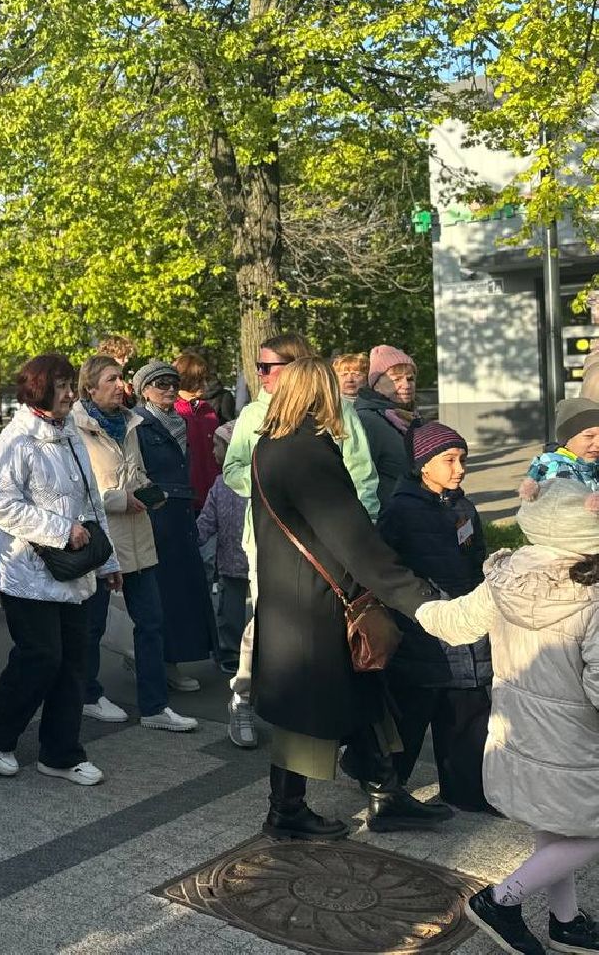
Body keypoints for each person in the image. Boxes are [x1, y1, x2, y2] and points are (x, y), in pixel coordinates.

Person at [249, 357, 444, 841]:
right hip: (317, 604)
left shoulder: (271, 446)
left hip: (296, 597)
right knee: (310, 710)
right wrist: (414, 595)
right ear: (319, 395)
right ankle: (286, 811)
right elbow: (351, 535)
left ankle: (385, 793)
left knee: (360, 689)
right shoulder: (307, 452)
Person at [415, 478, 599, 954]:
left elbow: (455, 623)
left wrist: (413, 603)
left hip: (517, 734)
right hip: (577, 745)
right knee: (587, 832)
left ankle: (566, 923)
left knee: (556, 832)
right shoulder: (594, 595)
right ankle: (501, 900)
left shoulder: (506, 577)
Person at [0, 354, 122, 786]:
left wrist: (108, 562)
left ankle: (62, 753)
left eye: (72, 384)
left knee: (74, 662)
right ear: (39, 389)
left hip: (75, 573)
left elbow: (92, 503)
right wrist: (60, 530)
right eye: (63, 385)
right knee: (41, 657)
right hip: (27, 574)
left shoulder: (69, 435)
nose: (71, 392)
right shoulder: (14, 441)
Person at [222, 333, 379, 749]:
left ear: (296, 368)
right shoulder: (254, 413)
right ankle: (244, 698)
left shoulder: (339, 409)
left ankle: (338, 725)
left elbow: (362, 476)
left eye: (267, 367)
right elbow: (233, 467)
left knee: (332, 626)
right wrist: (270, 488)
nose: (260, 375)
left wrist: (360, 534)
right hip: (271, 539)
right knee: (268, 622)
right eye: (257, 367)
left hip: (334, 540)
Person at [374, 420, 491, 813]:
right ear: (423, 464)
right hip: (422, 632)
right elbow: (383, 568)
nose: (459, 468)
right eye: (449, 459)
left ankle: (466, 792)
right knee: (411, 715)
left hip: (468, 626)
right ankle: (388, 789)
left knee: (467, 714)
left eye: (463, 459)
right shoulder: (401, 509)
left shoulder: (463, 505)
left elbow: (477, 558)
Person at [74, 355, 195, 731]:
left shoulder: (131, 421)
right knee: (91, 624)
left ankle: (155, 707)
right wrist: (118, 499)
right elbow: (79, 491)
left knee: (151, 622)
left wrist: (146, 490)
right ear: (90, 388)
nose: (119, 384)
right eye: (111, 379)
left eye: (121, 378)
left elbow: (137, 471)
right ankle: (88, 695)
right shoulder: (76, 428)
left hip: (140, 535)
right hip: (103, 539)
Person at [132, 360, 217, 697]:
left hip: (184, 511)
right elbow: (134, 472)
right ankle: (166, 663)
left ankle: (168, 657)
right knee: (163, 592)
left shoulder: (182, 421)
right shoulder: (137, 424)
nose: (168, 389)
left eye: (172, 383)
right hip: (158, 514)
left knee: (186, 590)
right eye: (160, 384)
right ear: (143, 390)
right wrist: (155, 501)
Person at [196, 421, 248, 679]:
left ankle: (245, 653)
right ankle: (231, 652)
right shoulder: (220, 483)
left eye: (218, 445)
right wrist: (191, 540)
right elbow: (207, 521)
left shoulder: (253, 479)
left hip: (250, 558)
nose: (213, 450)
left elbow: (206, 523)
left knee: (239, 610)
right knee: (231, 611)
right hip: (231, 560)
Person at [354, 344, 421, 505]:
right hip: (389, 518)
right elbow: (360, 479)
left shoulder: (410, 418)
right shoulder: (367, 420)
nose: (406, 385)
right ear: (376, 384)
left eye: (410, 378)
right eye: (396, 379)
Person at [174, 352, 221, 511]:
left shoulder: (207, 410)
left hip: (212, 494)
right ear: (188, 379)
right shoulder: (173, 412)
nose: (205, 385)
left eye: (205, 379)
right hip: (185, 497)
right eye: (200, 380)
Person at [523, 397, 599, 493]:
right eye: (589, 436)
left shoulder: (589, 463)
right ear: (566, 439)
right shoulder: (559, 471)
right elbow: (569, 505)